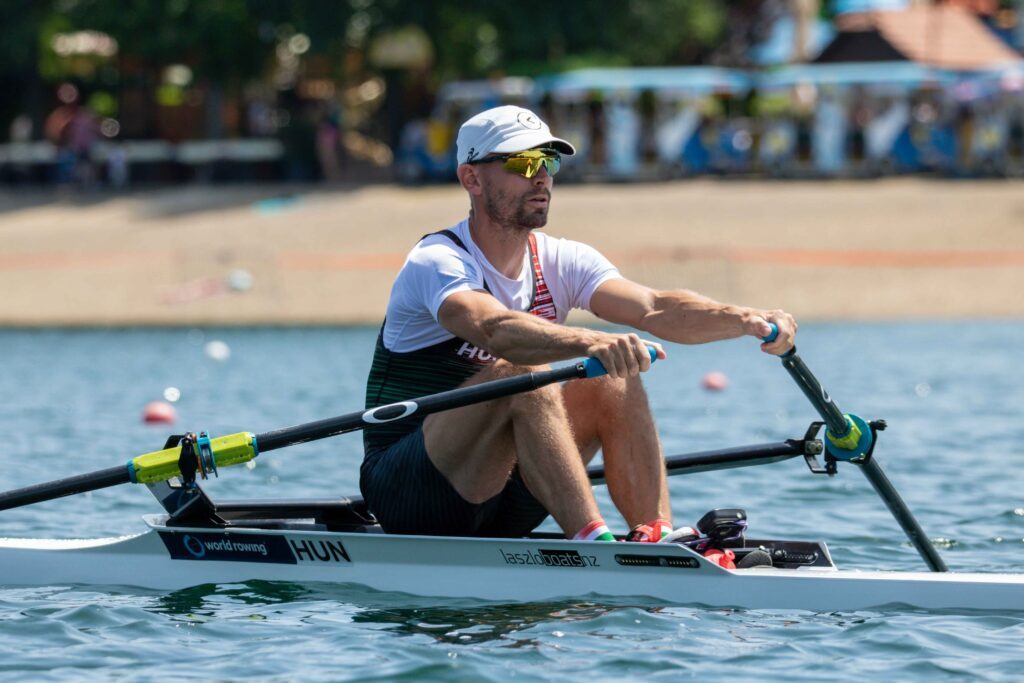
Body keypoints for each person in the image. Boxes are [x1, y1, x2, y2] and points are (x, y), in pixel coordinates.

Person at [361, 105, 797, 543]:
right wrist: (590, 341)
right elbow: (494, 329)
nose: (541, 178)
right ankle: (594, 542)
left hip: (508, 493)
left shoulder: (562, 260)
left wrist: (746, 319)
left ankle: (655, 537)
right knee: (523, 372)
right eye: (523, 163)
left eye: (548, 163)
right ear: (471, 179)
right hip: (409, 492)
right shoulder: (437, 260)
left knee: (613, 377)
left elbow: (655, 307)